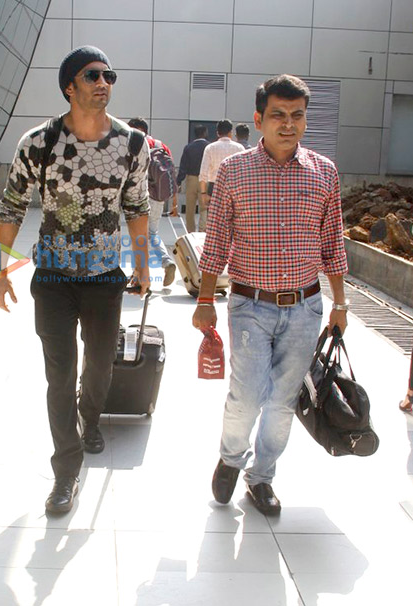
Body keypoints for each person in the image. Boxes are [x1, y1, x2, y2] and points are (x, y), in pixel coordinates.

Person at [0, 46, 150, 515]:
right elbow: (11, 208)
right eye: (92, 75)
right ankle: (66, 472)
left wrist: (141, 267)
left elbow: (138, 210)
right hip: (54, 278)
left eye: (109, 75)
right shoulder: (37, 143)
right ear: (69, 86)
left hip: (105, 278)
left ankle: (91, 417)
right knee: (59, 375)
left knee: (98, 369)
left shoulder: (131, 144)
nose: (104, 82)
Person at [192, 74, 349, 516]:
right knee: (246, 395)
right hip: (249, 305)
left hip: (305, 308)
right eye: (278, 115)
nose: (288, 124)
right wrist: (205, 300)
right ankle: (230, 457)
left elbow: (332, 243)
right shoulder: (234, 171)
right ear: (258, 119)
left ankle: (261, 478)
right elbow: (218, 240)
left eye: (297, 115)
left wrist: (340, 303)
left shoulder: (324, 172)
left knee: (282, 400)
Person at [128, 117, 178, 286]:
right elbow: (170, 174)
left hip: (137, 194)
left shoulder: (133, 143)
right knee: (152, 233)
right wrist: (174, 201)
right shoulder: (160, 145)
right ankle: (160, 264)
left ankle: (152, 267)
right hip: (158, 195)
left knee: (137, 234)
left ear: (135, 128)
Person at [198, 120, 245, 230]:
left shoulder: (210, 148)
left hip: (214, 186)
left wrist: (204, 193)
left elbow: (203, 173)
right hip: (235, 187)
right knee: (234, 222)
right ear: (231, 132)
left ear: (218, 133)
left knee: (214, 222)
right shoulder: (239, 148)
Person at [176, 124, 210, 232]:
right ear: (205, 133)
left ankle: (190, 231)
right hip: (205, 180)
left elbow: (183, 166)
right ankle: (202, 230)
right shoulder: (209, 147)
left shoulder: (188, 147)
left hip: (191, 179)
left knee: (190, 208)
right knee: (204, 207)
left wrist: (178, 181)